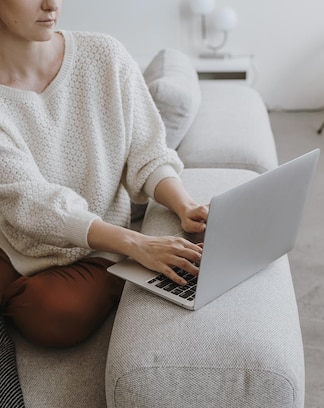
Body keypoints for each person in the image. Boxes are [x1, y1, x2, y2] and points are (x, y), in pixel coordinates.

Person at [0, 0, 209, 348]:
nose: (51, 4)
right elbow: (29, 201)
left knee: (53, 314)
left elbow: (148, 153)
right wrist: (139, 244)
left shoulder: (104, 56)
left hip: (97, 249)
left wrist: (185, 206)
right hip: (12, 240)